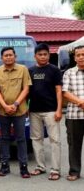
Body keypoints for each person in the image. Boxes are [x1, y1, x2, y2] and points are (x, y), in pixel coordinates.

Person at [0, 46, 32, 178]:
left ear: (15, 56)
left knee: (21, 139)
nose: (8, 57)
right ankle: (4, 166)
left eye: (11, 55)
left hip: (19, 110)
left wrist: (15, 104)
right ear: (1, 58)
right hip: (3, 111)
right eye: (6, 55)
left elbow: (26, 89)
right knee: (4, 138)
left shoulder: (23, 69)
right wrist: (4, 105)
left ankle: (24, 167)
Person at [28, 43, 62, 181]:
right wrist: (26, 107)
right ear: (35, 56)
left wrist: (59, 109)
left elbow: (59, 90)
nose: (42, 57)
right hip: (34, 111)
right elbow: (27, 91)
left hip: (51, 111)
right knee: (36, 139)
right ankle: (40, 167)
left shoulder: (54, 70)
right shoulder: (30, 71)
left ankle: (55, 170)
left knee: (55, 140)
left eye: (45, 54)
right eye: (40, 54)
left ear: (49, 55)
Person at [62, 45, 84, 181]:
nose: (81, 57)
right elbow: (65, 92)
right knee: (74, 145)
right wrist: (81, 103)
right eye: (78, 55)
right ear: (74, 57)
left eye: (83, 54)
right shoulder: (69, 73)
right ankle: (74, 172)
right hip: (74, 115)